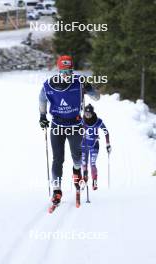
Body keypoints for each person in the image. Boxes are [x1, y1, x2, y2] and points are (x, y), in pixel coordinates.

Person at [39, 55, 99, 206]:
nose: (67, 76)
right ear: (58, 71)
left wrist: (90, 88)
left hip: (75, 125)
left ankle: (76, 172)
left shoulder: (79, 82)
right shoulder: (48, 85)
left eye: (70, 72)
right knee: (57, 159)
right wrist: (42, 116)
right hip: (57, 126)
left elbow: (97, 97)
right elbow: (42, 99)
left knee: (77, 157)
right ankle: (57, 190)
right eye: (64, 72)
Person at [82, 104, 111, 190]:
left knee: (92, 163)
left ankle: (94, 181)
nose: (87, 115)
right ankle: (84, 179)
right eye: (85, 113)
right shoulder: (82, 120)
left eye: (89, 113)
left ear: (92, 113)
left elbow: (106, 132)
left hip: (94, 145)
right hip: (83, 145)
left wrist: (108, 144)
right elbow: (75, 129)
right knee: (84, 164)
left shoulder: (98, 121)